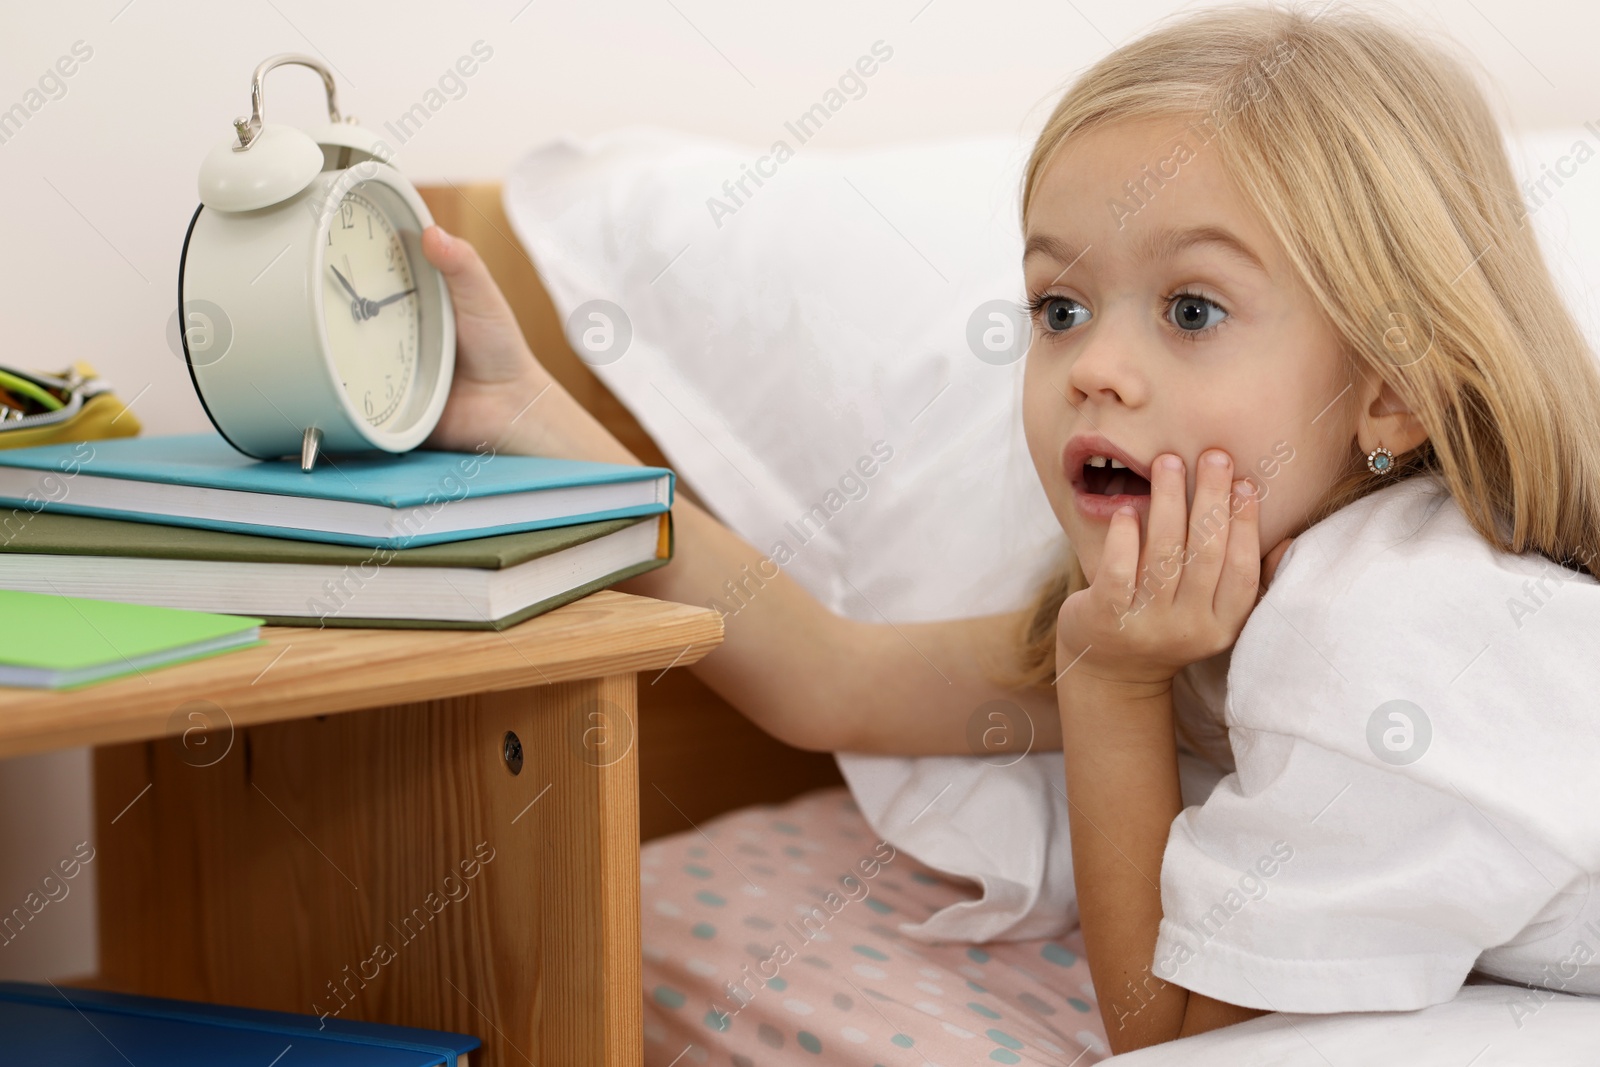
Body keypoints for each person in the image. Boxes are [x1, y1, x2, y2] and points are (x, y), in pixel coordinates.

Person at [417, 2, 1600, 1059]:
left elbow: (1166, 1031)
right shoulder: (1212, 596)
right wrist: (528, 414)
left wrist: (1113, 687)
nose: (1094, 367)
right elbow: (832, 677)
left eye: (1192, 308)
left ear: (1391, 388)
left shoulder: (1392, 629)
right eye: (1059, 307)